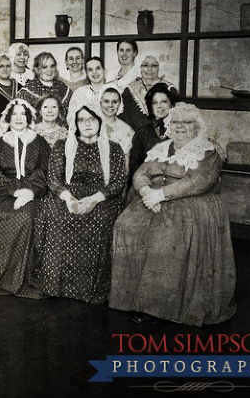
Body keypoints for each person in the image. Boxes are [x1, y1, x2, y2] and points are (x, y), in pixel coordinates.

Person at [108, 103, 237, 326]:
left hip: (189, 205)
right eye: (176, 122)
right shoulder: (160, 149)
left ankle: (157, 306)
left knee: (164, 236)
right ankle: (130, 298)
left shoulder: (206, 152)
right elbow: (140, 174)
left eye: (187, 123)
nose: (180, 127)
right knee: (125, 225)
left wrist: (162, 195)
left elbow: (198, 182)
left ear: (196, 127)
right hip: (152, 200)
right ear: (169, 125)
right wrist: (147, 191)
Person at [36, 104, 126, 303]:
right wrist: (68, 199)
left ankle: (91, 289)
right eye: (82, 119)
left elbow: (118, 181)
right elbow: (53, 178)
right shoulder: (62, 145)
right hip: (67, 194)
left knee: (101, 218)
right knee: (55, 214)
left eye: (92, 119)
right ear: (75, 124)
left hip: (101, 197)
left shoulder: (114, 148)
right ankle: (56, 286)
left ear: (100, 122)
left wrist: (93, 200)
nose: (87, 123)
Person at [0, 99, 50, 298]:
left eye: (22, 115)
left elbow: (44, 172)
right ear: (8, 118)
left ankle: (21, 279)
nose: (18, 118)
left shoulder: (40, 142)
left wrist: (28, 193)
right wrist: (15, 191)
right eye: (14, 114)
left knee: (25, 217)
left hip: (32, 193)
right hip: (2, 193)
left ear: (28, 118)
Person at [128, 82, 179, 178]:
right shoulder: (142, 134)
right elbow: (134, 168)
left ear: (172, 105)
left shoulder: (182, 130)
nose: (159, 106)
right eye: (155, 103)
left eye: (164, 101)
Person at [124, 55, 176, 121]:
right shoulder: (129, 88)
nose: (149, 69)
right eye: (145, 65)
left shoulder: (170, 88)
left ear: (159, 67)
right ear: (139, 67)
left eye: (154, 65)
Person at [97, 83, 135, 170]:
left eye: (114, 102)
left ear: (120, 104)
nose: (110, 105)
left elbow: (126, 168)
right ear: (100, 102)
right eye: (106, 101)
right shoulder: (90, 124)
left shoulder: (127, 131)